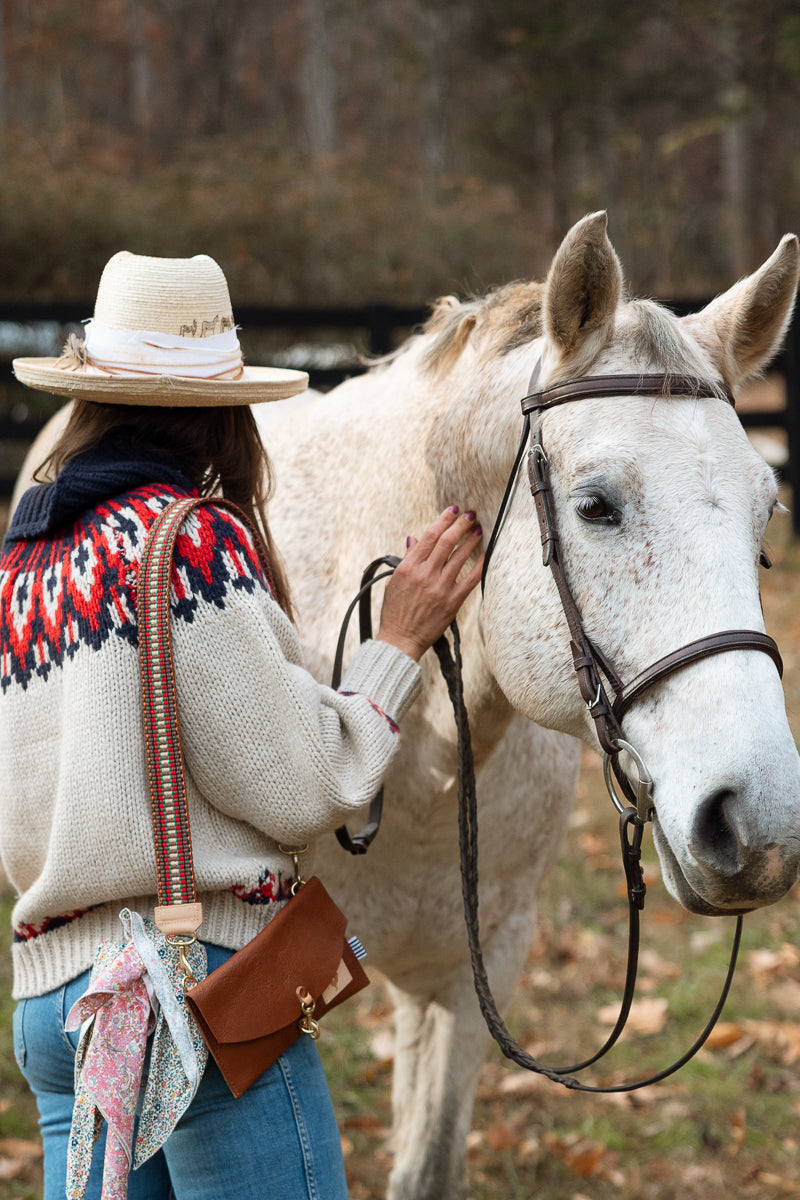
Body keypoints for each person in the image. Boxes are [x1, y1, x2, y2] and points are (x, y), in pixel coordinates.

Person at [0, 251, 483, 1200]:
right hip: (197, 995)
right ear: (223, 408)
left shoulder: (24, 565)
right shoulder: (189, 545)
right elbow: (308, 782)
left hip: (59, 1004)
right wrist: (398, 643)